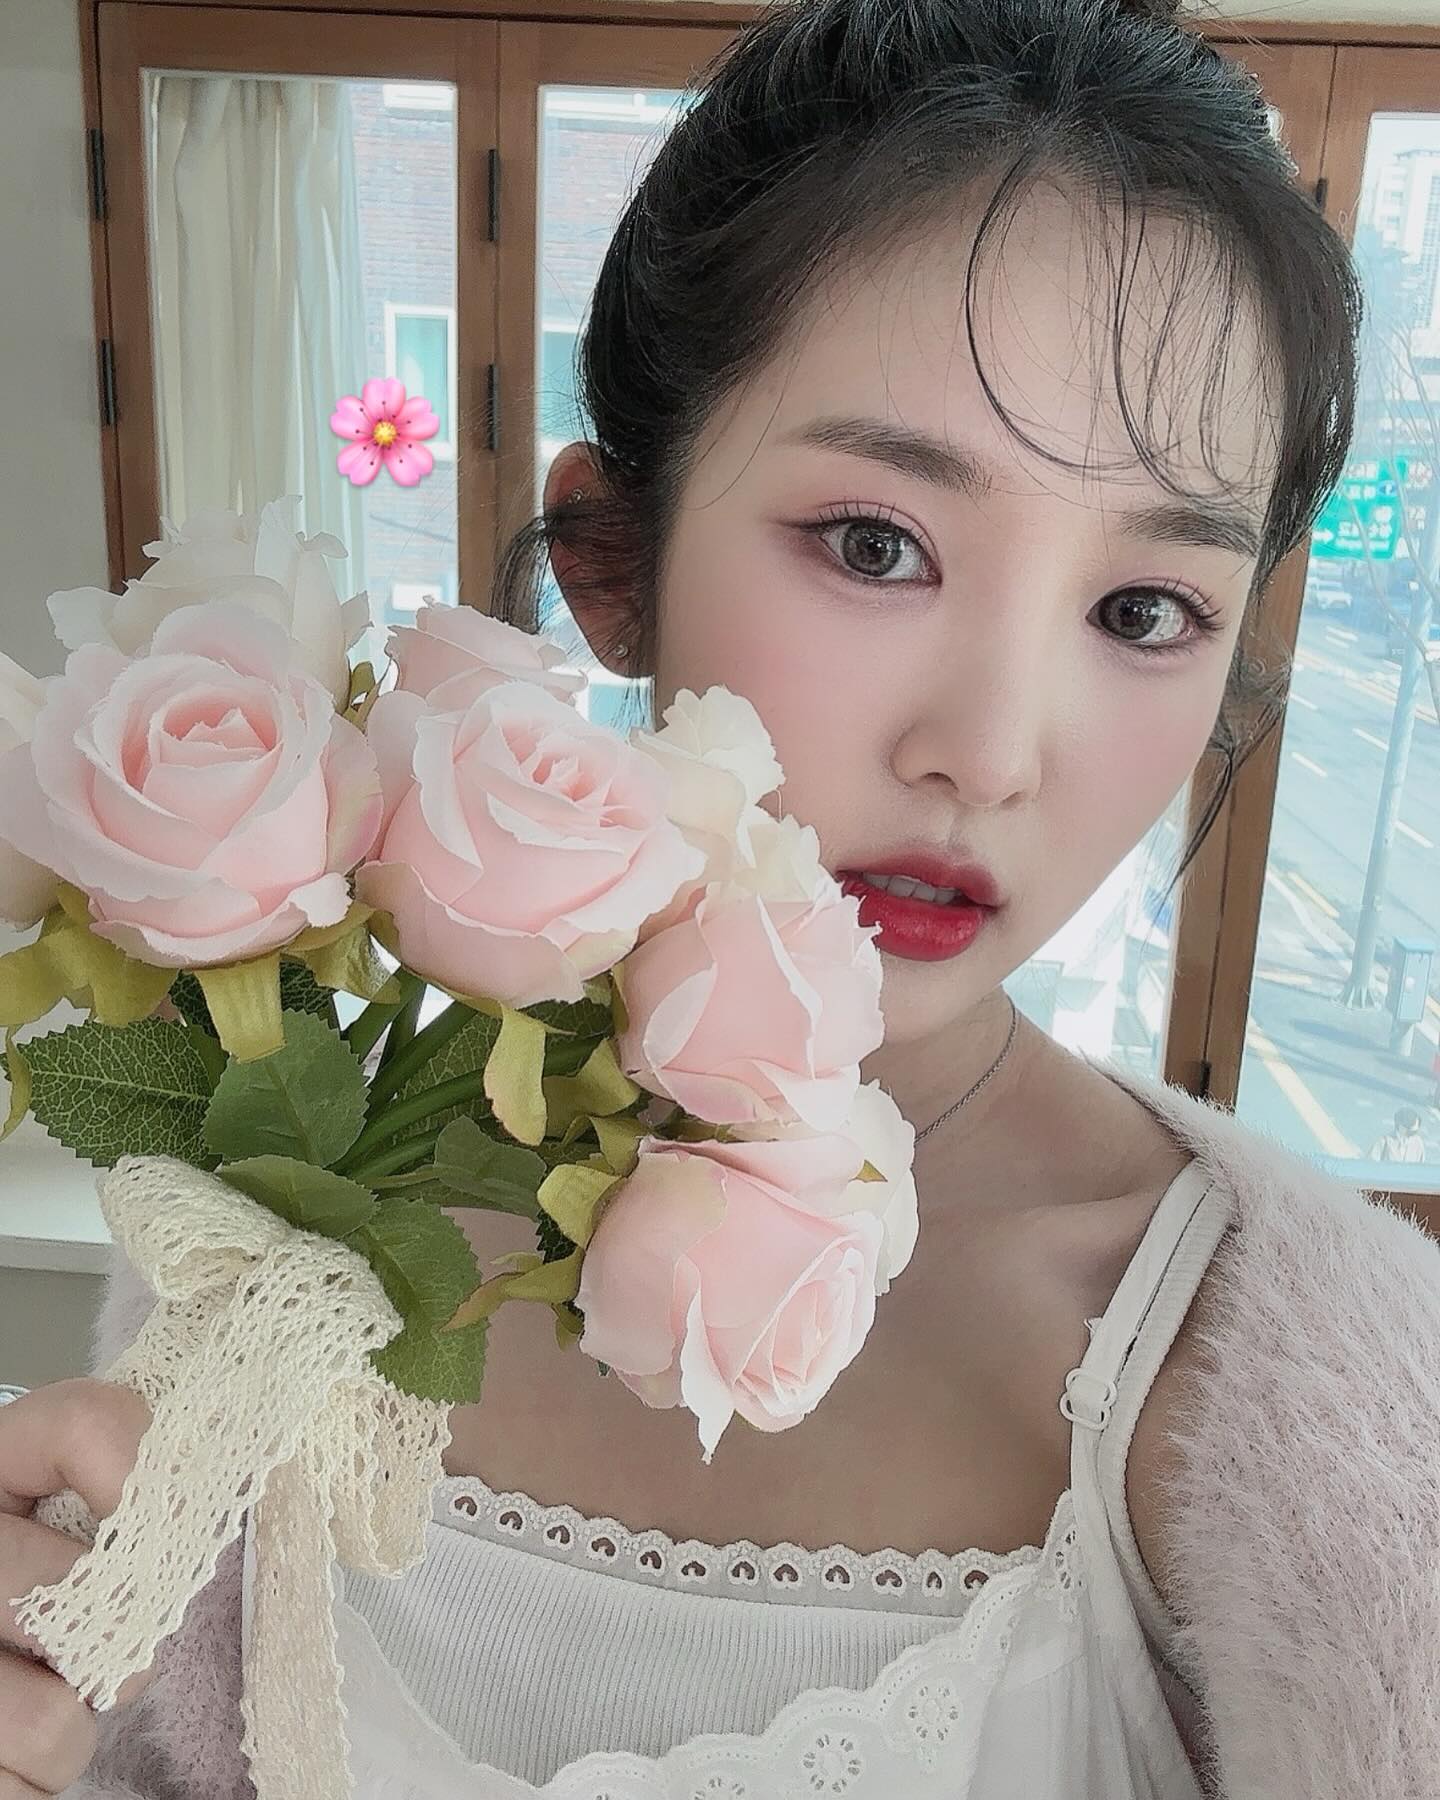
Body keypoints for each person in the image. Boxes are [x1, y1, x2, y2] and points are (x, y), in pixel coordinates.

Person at [6, 1, 1440, 1797]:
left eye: (1144, 610)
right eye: (875, 545)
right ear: (610, 560)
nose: (991, 754)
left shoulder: (1326, 1405)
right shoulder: (292, 1222)